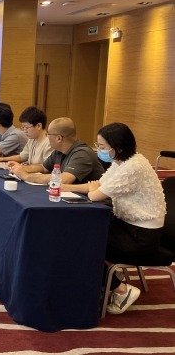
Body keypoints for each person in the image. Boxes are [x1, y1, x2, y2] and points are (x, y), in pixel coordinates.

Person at [65, 122, 166, 314]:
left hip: (141, 237)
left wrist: (93, 190)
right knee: (81, 232)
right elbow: (96, 185)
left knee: (81, 241)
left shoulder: (133, 167)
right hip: (128, 226)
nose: (99, 150)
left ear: (117, 147)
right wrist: (65, 187)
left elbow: (95, 194)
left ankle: (121, 289)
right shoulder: (121, 162)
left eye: (102, 146)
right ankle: (105, 279)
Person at [10, 117, 105, 184]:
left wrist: (26, 176)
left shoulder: (82, 154)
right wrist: (21, 168)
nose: (47, 137)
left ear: (59, 138)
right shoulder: (59, 151)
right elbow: (43, 167)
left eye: (48, 134)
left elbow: (63, 179)